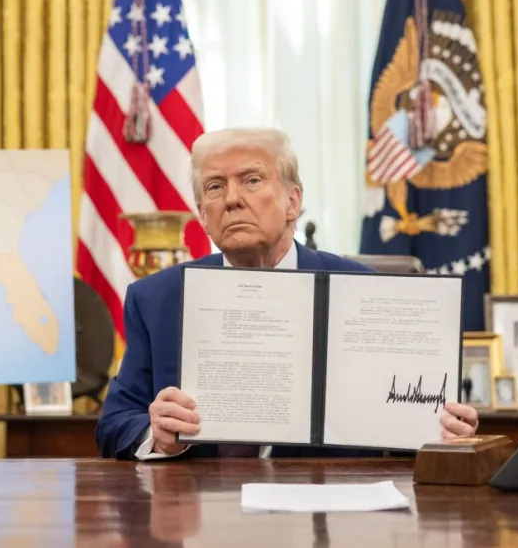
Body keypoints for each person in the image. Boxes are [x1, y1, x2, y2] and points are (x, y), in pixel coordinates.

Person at [96, 127, 480, 459]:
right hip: (199, 506)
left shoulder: (368, 293)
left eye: (251, 180)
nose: (232, 199)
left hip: (334, 505)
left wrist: (440, 432)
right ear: (202, 214)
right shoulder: (156, 299)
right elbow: (114, 424)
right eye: (215, 187)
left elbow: (405, 429)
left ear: (293, 201)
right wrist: (157, 436)